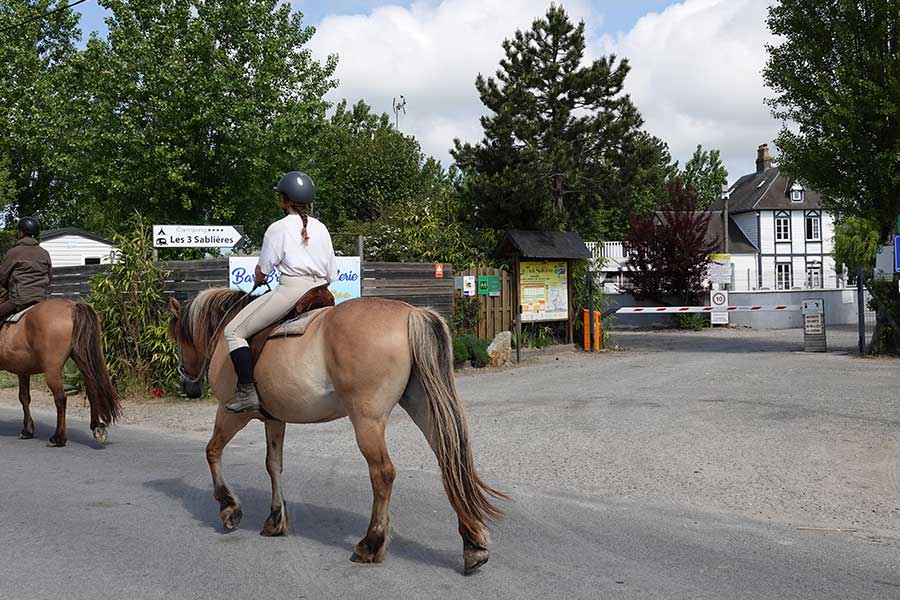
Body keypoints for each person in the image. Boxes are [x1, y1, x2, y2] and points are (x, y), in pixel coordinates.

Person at [223, 171, 338, 413]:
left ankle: (247, 393)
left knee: (233, 331)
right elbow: (332, 274)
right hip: (322, 292)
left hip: (293, 290)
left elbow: (265, 267)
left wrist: (259, 275)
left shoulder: (278, 228)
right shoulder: (322, 228)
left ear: (285, 199)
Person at [0, 217, 53, 322]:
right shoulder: (44, 253)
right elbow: (49, 276)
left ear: (21, 233)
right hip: (41, 298)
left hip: (19, 299)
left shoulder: (13, 252)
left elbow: (2, 277)